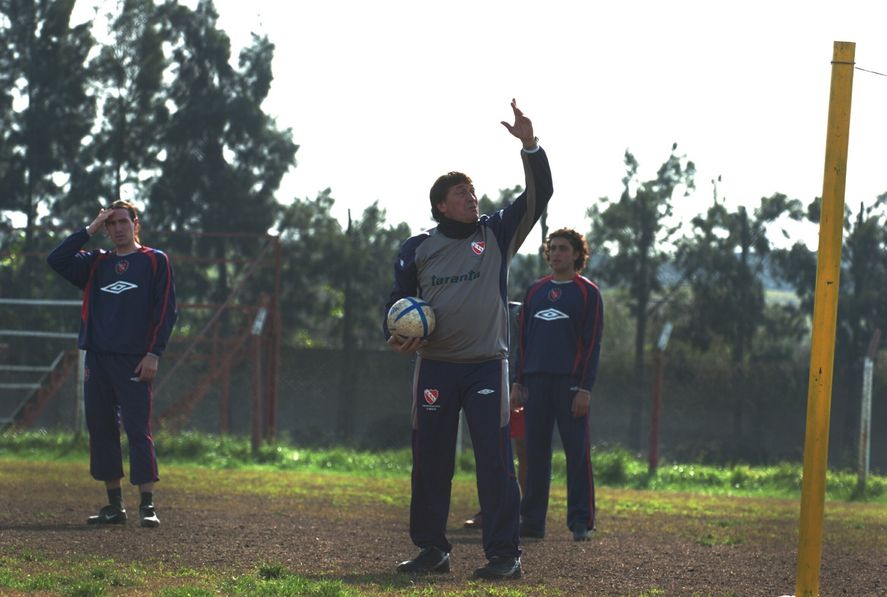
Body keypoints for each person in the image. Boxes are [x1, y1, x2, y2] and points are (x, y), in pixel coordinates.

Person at [385, 99, 552, 580]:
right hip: (435, 366)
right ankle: (432, 549)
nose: (472, 198)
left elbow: (540, 197)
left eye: (473, 191)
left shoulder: (497, 232)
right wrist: (394, 333)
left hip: (485, 365)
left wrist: (530, 146)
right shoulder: (417, 248)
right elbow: (398, 304)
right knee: (431, 462)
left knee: (496, 463)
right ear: (440, 204)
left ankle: (505, 555)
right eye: (461, 193)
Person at [47, 200, 177, 528]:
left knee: (137, 429)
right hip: (98, 360)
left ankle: (146, 505)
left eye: (123, 221)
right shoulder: (95, 263)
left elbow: (166, 311)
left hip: (135, 360)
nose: (117, 228)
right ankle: (114, 506)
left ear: (136, 223)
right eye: (111, 223)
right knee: (102, 429)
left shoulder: (154, 260)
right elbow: (56, 259)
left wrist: (154, 354)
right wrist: (89, 229)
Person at [512, 228, 603, 542]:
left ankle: (580, 521)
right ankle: (533, 520)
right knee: (536, 453)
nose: (557, 254)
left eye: (564, 248)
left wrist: (585, 388)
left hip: (570, 386)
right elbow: (521, 341)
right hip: (535, 383)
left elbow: (592, 345)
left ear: (577, 254)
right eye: (552, 248)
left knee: (576, 453)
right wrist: (517, 382)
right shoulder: (535, 291)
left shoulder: (587, 293)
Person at [463, 300, 527, 529]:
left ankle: (524, 511)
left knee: (522, 446)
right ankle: (489, 508)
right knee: (490, 447)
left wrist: (520, 383)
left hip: (516, 385)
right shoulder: (479, 303)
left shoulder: (519, 310)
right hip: (487, 381)